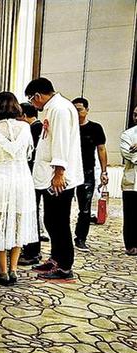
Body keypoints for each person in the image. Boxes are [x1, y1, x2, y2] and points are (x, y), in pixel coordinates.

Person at [25, 78, 84, 281]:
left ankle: (64, 266)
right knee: (51, 220)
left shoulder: (60, 109)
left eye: (32, 100)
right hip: (51, 175)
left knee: (59, 222)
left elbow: (61, 142)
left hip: (58, 178)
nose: (33, 105)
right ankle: (55, 258)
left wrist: (59, 173)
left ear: (37, 96)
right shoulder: (54, 108)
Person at [0, 92, 38, 285]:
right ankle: (14, 269)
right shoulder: (25, 128)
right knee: (18, 221)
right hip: (22, 179)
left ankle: (2, 271)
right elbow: (28, 154)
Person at [71, 97, 108, 251]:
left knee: (85, 208)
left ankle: (80, 238)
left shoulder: (95, 128)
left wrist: (104, 172)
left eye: (79, 109)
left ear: (87, 110)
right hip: (68, 171)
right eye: (74, 109)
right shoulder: (68, 127)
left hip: (87, 171)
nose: (76, 112)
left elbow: (101, 149)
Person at [18, 102, 45, 265]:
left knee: (30, 214)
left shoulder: (33, 129)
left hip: (32, 177)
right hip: (35, 177)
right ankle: (32, 250)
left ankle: (32, 252)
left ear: (23, 116)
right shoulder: (38, 127)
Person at [120, 106, 137, 256]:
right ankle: (131, 245)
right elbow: (128, 154)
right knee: (131, 215)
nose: (136, 117)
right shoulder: (128, 134)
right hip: (131, 182)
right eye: (135, 114)